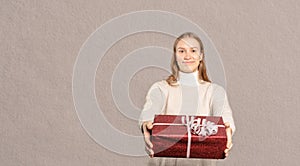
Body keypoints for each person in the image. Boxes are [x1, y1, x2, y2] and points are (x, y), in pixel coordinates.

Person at [139, 32, 235, 166]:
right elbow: (150, 110)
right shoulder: (160, 88)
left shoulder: (215, 91)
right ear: (175, 56)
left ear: (201, 56)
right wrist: (146, 125)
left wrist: (227, 132)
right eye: (182, 51)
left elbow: (225, 118)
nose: (187, 56)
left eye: (193, 50)